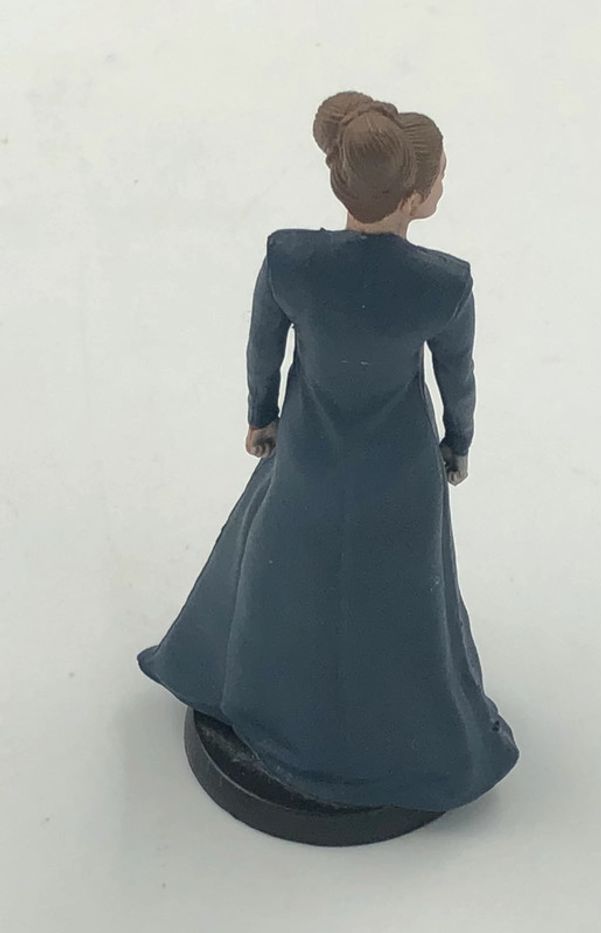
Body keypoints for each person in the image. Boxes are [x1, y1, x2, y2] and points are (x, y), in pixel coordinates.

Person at [137, 90, 520, 812]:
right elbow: (457, 375)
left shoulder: (291, 259)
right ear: (412, 197)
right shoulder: (442, 282)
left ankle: (264, 689)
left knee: (280, 577)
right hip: (400, 466)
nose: (442, 186)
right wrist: (458, 441)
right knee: (400, 600)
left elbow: (264, 350)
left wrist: (260, 417)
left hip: (309, 450)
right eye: (439, 177)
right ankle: (401, 725)